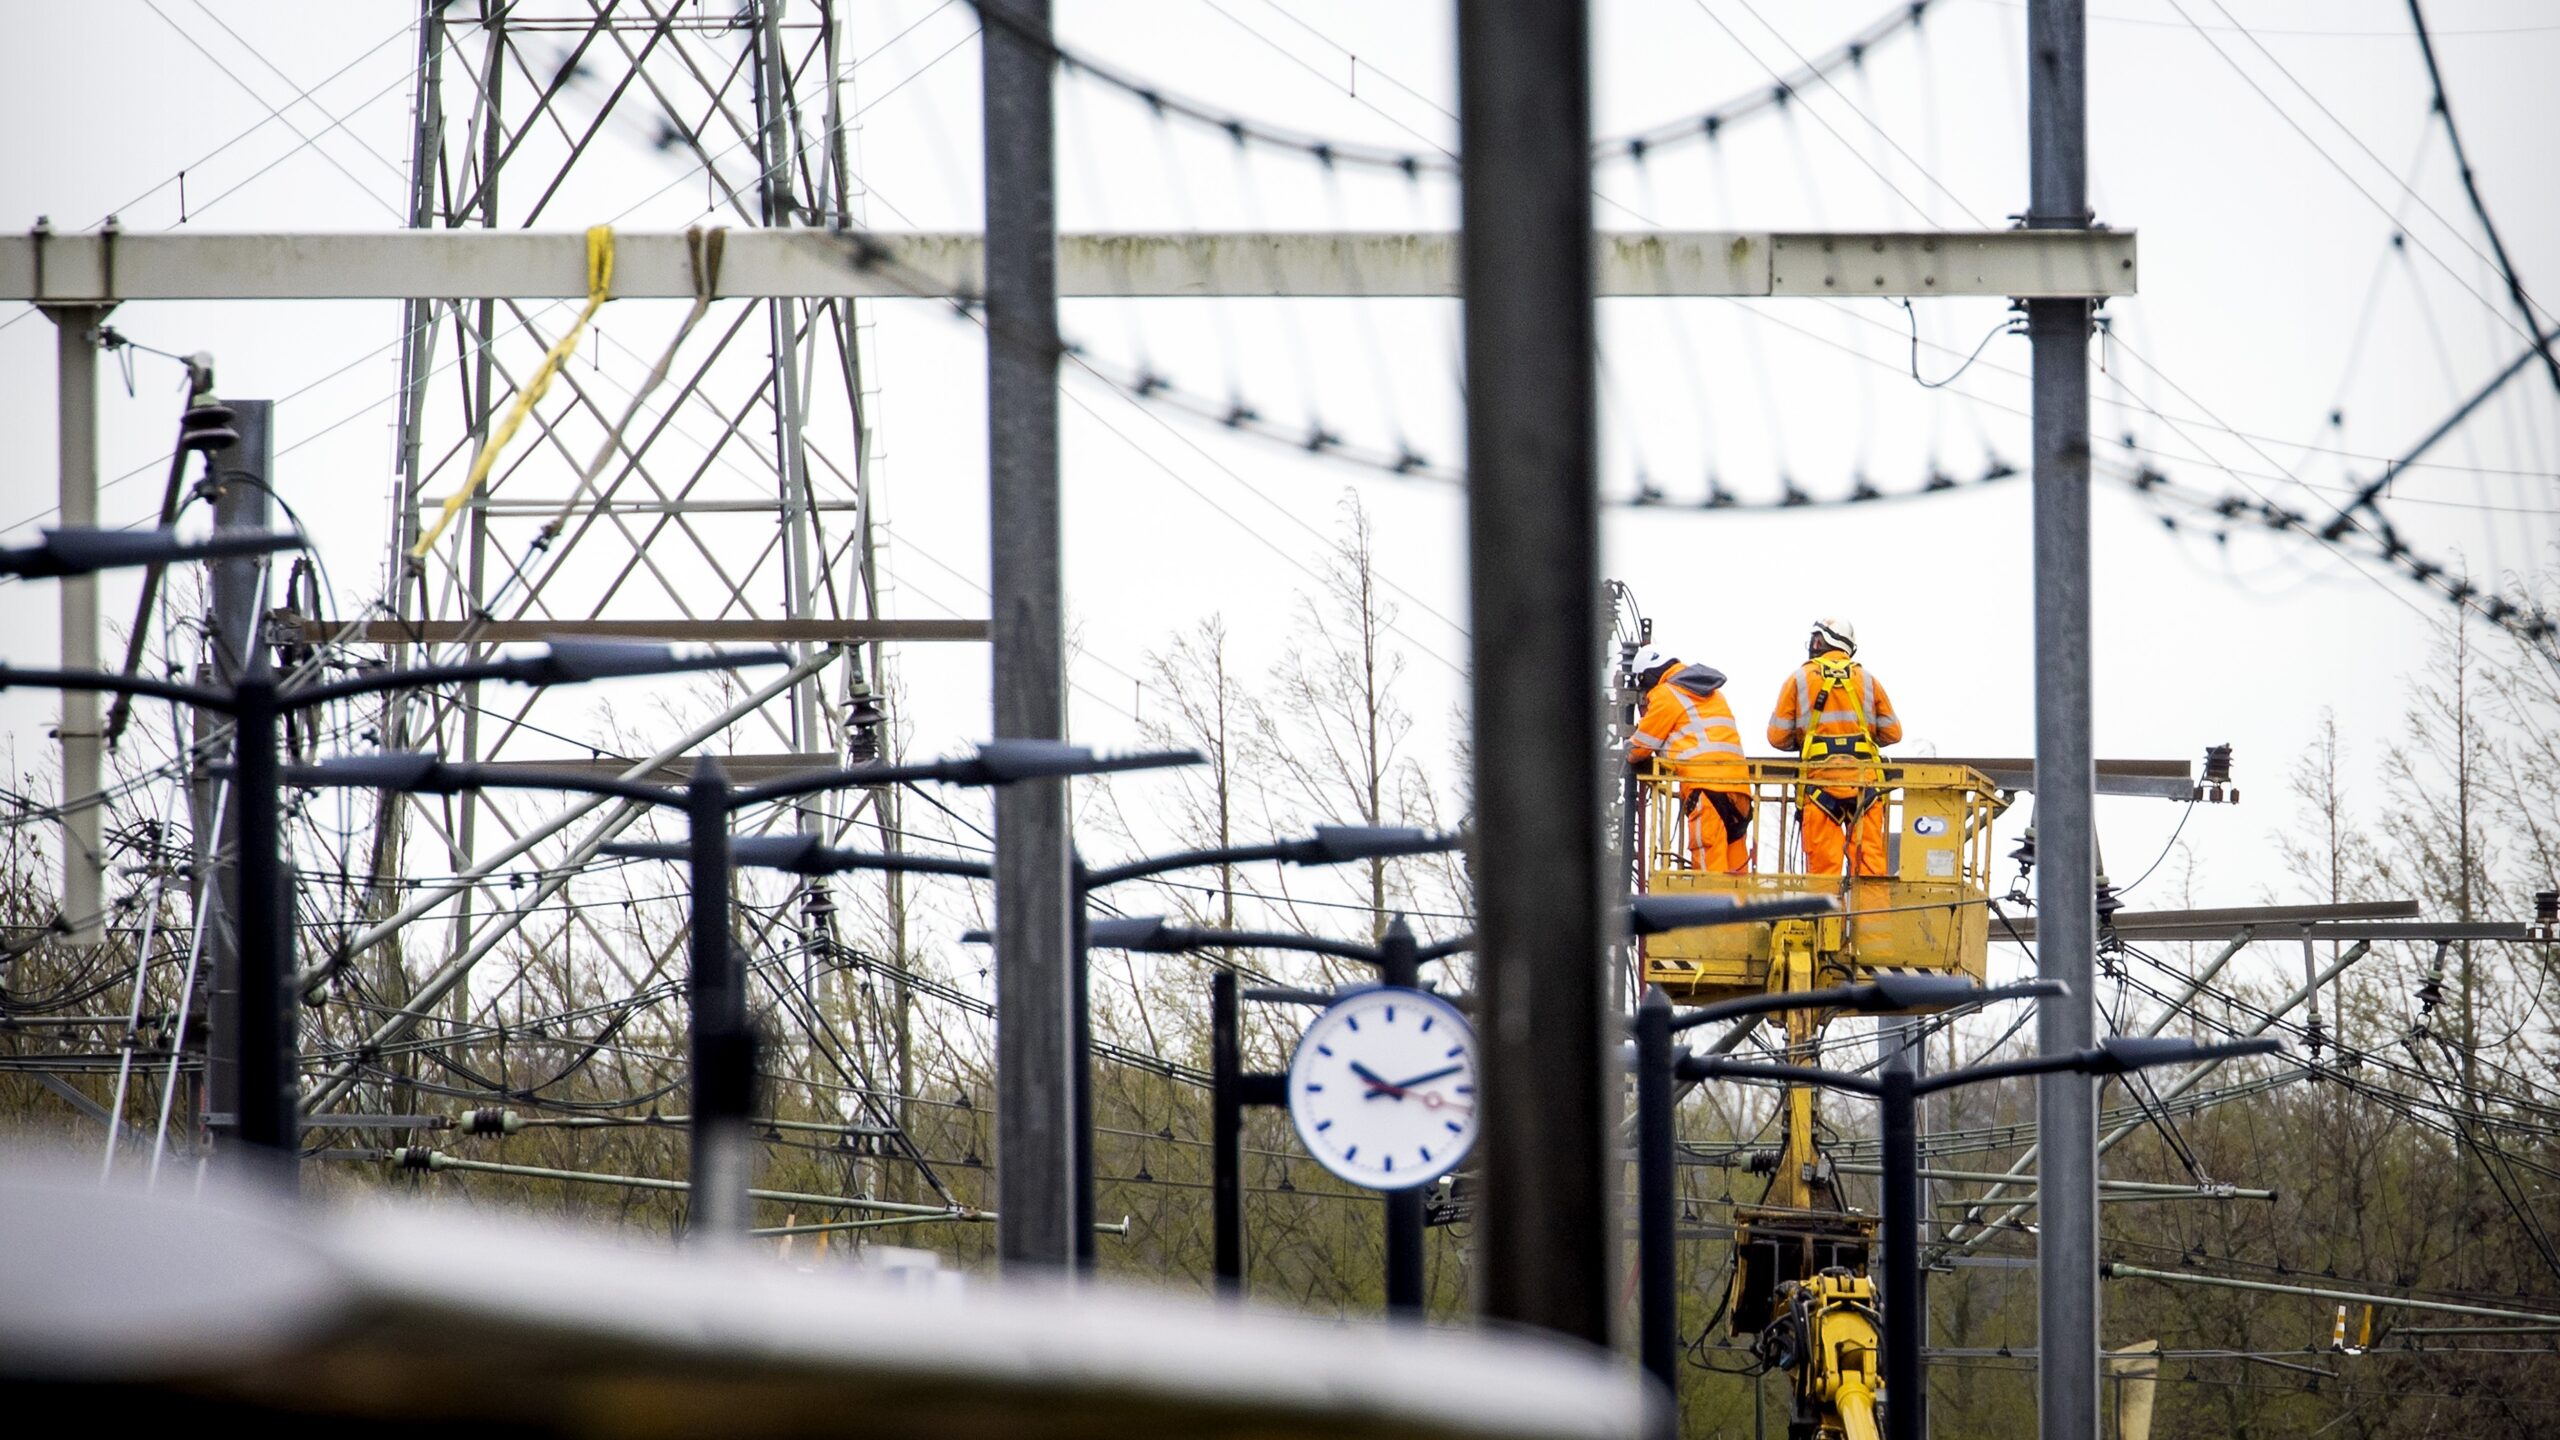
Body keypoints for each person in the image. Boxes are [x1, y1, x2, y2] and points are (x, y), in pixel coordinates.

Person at [1765, 618, 1902, 877]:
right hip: (1866, 787)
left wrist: (1807, 739)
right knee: (1870, 868)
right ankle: (1872, 918)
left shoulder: (1799, 679)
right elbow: (1893, 733)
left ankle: (1825, 918)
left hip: (1820, 787)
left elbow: (1776, 736)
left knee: (1823, 873)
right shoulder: (1868, 680)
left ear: (1819, 641)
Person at [1625, 647, 1751, 872]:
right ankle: (1739, 907)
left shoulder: (1666, 694)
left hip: (1706, 791)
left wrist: (1623, 749)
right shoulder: (1710, 692)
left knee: (1708, 875)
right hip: (1740, 791)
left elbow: (1639, 748)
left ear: (1647, 676)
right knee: (1735, 876)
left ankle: (1714, 908)